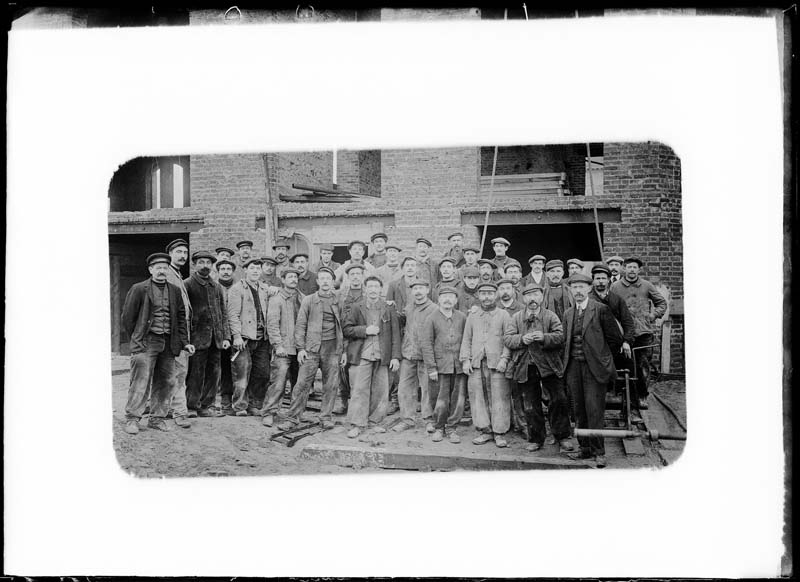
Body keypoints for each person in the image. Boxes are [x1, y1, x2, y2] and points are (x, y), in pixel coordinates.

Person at [121, 253, 193, 434]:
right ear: (151, 269)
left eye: (164, 268)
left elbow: (181, 320)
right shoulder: (139, 289)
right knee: (140, 380)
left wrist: (184, 342)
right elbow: (128, 318)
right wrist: (138, 338)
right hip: (146, 342)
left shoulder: (175, 291)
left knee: (166, 382)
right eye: (158, 267)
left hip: (169, 343)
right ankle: (132, 418)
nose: (161, 271)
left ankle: (157, 418)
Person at [563, 273, 624, 468]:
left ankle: (599, 452)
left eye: (582, 287)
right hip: (574, 367)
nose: (578, 291)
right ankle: (585, 449)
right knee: (579, 411)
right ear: (570, 290)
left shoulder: (601, 310)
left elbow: (615, 340)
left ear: (589, 288)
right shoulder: (568, 313)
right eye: (574, 287)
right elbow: (566, 341)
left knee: (594, 411)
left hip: (594, 369)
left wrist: (602, 358)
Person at [503, 283, 573, 452]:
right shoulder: (517, 318)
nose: (532, 299)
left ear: (541, 297)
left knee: (559, 400)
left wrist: (544, 337)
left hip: (549, 365)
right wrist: (521, 339)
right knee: (530, 404)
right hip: (525, 366)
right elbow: (507, 338)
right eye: (529, 296)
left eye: (536, 295)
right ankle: (536, 438)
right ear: (524, 298)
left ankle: (562, 436)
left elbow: (560, 336)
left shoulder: (551, 316)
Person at [276, 267, 344, 431]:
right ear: (318, 281)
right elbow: (300, 326)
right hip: (311, 348)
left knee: (331, 385)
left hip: (333, 349)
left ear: (332, 281)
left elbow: (345, 327)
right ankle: (292, 419)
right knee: (301, 384)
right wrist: (300, 349)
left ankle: (325, 417)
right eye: (322, 278)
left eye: (328, 278)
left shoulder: (339, 300)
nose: (325, 281)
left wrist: (344, 351)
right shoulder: (308, 300)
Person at [342, 276, 401, 438]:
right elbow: (347, 329)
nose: (373, 290)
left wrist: (395, 357)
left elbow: (396, 334)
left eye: (376, 287)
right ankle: (357, 424)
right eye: (370, 287)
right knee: (360, 390)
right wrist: (365, 330)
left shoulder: (388, 308)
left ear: (381, 290)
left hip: (383, 355)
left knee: (381, 391)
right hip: (363, 355)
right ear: (365, 289)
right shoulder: (356, 307)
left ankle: (375, 422)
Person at [460, 282, 512, 448]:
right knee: (478, 398)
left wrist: (504, 359)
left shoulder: (503, 315)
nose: (487, 297)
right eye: (483, 293)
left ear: (496, 295)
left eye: (490, 293)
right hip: (476, 363)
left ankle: (499, 432)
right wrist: (466, 360)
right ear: (479, 296)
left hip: (497, 364)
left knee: (499, 398)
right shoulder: (473, 316)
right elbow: (466, 339)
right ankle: (485, 431)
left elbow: (508, 340)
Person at [610, 257, 667, 409]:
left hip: (643, 333)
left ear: (639, 270)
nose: (632, 270)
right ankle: (624, 395)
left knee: (642, 366)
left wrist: (653, 315)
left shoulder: (646, 285)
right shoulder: (615, 287)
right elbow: (609, 307)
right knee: (623, 365)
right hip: (623, 333)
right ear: (624, 269)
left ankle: (642, 396)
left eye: (635, 267)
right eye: (629, 267)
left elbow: (661, 303)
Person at [184, 251, 231, 417]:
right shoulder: (188, 284)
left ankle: (207, 406)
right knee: (195, 373)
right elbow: (184, 314)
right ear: (195, 264)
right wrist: (187, 338)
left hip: (215, 338)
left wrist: (225, 336)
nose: (205, 265)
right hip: (197, 338)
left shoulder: (216, 287)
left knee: (213, 373)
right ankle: (191, 406)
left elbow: (223, 313)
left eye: (208, 263)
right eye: (201, 262)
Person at [420, 286, 467, 443]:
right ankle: (439, 427)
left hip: (458, 366)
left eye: (451, 296)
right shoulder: (431, 318)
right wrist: (432, 368)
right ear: (438, 299)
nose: (447, 299)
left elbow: (467, 340)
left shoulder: (462, 317)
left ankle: (453, 428)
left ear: (456, 300)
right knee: (440, 399)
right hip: (440, 367)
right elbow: (426, 344)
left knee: (458, 398)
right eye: (444, 296)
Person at [392, 279, 439, 432]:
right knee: (404, 389)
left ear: (427, 289)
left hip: (426, 357)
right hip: (408, 355)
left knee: (427, 390)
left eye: (421, 288)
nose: (418, 291)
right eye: (415, 289)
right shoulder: (409, 307)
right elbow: (401, 323)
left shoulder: (434, 309)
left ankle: (429, 420)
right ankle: (407, 420)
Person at [227, 258, 272, 416]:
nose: (255, 271)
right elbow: (232, 314)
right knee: (242, 374)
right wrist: (236, 336)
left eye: (258, 268)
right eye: (252, 268)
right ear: (245, 270)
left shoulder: (265, 289)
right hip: (244, 339)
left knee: (262, 374)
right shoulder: (237, 289)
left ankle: (254, 404)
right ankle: (240, 406)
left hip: (262, 339)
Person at [261, 267, 304, 427]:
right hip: (283, 349)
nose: (293, 279)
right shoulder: (277, 298)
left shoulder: (303, 298)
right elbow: (272, 324)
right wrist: (277, 345)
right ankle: (269, 412)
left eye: (295, 277)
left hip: (300, 349)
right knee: (278, 382)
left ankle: (294, 415)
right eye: (290, 277)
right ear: (283, 280)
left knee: (298, 384)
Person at [164, 238, 193, 428]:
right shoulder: (167, 274)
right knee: (178, 373)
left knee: (176, 372)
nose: (183, 256)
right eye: (179, 252)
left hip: (182, 332)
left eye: (185, 252)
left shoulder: (178, 275)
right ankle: (180, 412)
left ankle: (167, 408)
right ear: (170, 255)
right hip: (174, 334)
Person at [333, 263, 366, 415]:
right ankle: (343, 400)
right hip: (343, 337)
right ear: (348, 277)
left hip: (362, 337)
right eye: (352, 274)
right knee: (342, 370)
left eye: (358, 274)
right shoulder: (340, 295)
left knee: (359, 372)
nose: (355, 277)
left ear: (362, 276)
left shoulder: (368, 293)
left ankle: (359, 403)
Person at [589, 263, 635, 367]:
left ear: (609, 279)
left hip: (616, 346)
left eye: (603, 278)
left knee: (630, 369)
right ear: (593, 280)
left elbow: (628, 323)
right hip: (594, 346)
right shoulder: (588, 300)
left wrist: (627, 341)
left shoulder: (617, 300)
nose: (600, 281)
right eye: (598, 278)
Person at [215, 258, 237, 415]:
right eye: (222, 268)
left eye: (228, 268)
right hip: (220, 334)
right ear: (218, 271)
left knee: (237, 368)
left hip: (237, 333)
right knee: (222, 367)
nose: (226, 271)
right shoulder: (214, 287)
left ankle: (238, 399)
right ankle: (224, 399)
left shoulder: (239, 287)